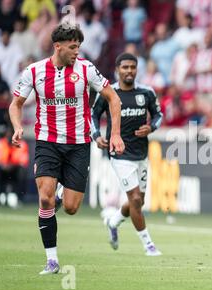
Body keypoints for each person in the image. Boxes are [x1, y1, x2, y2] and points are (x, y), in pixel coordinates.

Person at [8, 22, 125, 275]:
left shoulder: (86, 69)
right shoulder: (35, 71)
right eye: (72, 47)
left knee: (71, 207)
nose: (77, 52)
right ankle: (52, 261)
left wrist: (114, 133)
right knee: (45, 197)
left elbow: (113, 98)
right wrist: (17, 127)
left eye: (79, 47)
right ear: (57, 46)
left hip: (78, 145)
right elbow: (15, 104)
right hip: (47, 141)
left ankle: (61, 197)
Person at [91, 53, 163, 256]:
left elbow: (159, 114)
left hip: (141, 153)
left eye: (133, 67)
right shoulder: (108, 92)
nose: (129, 71)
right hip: (119, 154)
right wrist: (96, 136)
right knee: (134, 198)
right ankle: (149, 245)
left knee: (138, 201)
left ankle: (113, 222)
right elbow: (93, 115)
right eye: (125, 67)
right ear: (117, 69)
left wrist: (151, 128)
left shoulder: (146, 92)